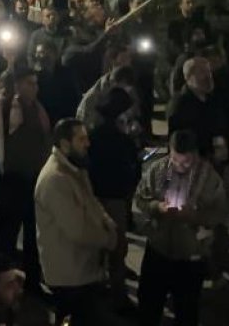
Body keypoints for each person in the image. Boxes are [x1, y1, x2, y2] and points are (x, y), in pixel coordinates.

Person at [133, 130, 228, 326]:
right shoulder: (157, 170)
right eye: (175, 160)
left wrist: (194, 216)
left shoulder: (210, 178)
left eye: (186, 162)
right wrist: (156, 207)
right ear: (169, 151)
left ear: (195, 154)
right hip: (158, 251)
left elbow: (220, 214)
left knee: (187, 311)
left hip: (190, 257)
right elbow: (140, 200)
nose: (179, 167)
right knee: (148, 306)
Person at [33, 117, 117, 323]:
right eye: (81, 139)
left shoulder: (75, 167)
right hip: (69, 275)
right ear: (64, 144)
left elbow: (91, 202)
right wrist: (108, 239)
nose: (87, 144)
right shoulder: (55, 180)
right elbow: (77, 230)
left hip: (82, 269)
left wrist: (107, 222)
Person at [0, 67, 51, 292]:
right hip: (13, 180)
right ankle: (2, 281)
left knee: (32, 236)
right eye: (30, 83)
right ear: (17, 85)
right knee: (7, 236)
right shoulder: (6, 107)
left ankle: (32, 281)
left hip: (34, 179)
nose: (35, 88)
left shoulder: (37, 108)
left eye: (36, 83)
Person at [87, 87, 142, 300]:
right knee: (117, 247)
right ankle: (117, 294)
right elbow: (130, 164)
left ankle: (100, 287)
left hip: (99, 195)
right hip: (113, 197)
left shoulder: (96, 133)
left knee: (102, 247)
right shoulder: (118, 137)